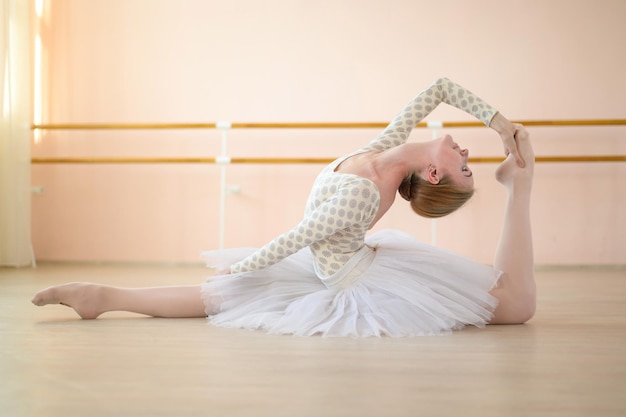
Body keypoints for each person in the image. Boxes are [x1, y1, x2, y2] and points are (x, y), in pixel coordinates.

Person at [32, 77, 536, 337]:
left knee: (515, 308)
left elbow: (295, 237)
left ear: (432, 174)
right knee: (218, 296)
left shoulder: (367, 187)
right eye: (469, 163)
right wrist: (498, 122)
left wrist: (244, 267)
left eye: (463, 167)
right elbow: (438, 88)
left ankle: (519, 187)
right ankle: (102, 296)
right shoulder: (380, 151)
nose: (466, 153)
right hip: (335, 266)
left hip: (347, 273)